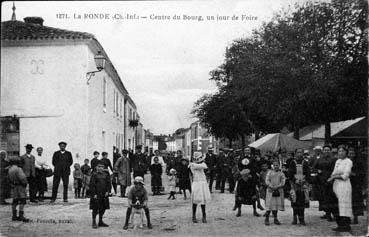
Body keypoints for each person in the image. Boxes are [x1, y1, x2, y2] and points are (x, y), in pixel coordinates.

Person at [328, 146, 353, 232]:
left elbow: (345, 176)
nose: (341, 153)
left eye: (343, 151)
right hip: (336, 184)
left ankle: (346, 225)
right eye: (339, 151)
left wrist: (335, 176)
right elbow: (334, 172)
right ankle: (339, 224)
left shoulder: (348, 162)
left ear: (346, 152)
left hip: (344, 185)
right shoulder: (338, 161)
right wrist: (332, 177)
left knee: (344, 205)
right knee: (336, 205)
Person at [236, 147, 260, 217]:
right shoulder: (241, 158)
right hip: (242, 177)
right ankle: (239, 210)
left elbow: (254, 167)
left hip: (250, 177)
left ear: (250, 151)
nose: (247, 151)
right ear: (244, 151)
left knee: (253, 192)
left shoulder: (253, 158)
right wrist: (243, 173)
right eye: (245, 150)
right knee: (239, 191)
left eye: (248, 150)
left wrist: (250, 173)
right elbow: (239, 166)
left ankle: (255, 210)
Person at [314, 145, 337, 221]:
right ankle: (327, 214)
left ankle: (333, 214)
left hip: (331, 180)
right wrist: (318, 171)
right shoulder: (320, 159)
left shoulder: (334, 159)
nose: (326, 151)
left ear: (330, 151)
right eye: (325, 150)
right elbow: (314, 167)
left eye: (328, 150)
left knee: (332, 198)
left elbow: (335, 169)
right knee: (324, 198)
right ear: (323, 151)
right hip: (321, 180)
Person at [288, 148, 310, 225]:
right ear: (295, 153)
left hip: (303, 185)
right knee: (294, 201)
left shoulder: (305, 163)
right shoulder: (292, 162)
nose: (299, 154)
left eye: (301, 152)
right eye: (298, 152)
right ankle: (294, 218)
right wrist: (295, 180)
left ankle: (302, 218)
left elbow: (308, 173)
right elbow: (290, 173)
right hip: (295, 185)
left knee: (302, 202)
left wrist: (304, 180)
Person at [189, 151, 211, 223]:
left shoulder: (201, 164)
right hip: (196, 183)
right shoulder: (192, 165)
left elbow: (204, 166)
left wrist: (198, 163)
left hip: (203, 183)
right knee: (195, 200)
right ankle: (193, 215)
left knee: (203, 200)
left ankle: (204, 216)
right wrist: (195, 163)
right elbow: (195, 167)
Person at [89, 162, 111, 228]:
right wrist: (94, 194)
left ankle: (100, 221)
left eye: (102, 167)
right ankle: (94, 221)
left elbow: (109, 183)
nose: (101, 168)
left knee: (103, 208)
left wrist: (108, 191)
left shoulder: (106, 174)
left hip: (104, 194)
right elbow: (92, 185)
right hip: (96, 194)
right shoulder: (94, 174)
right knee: (95, 208)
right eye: (99, 167)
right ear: (96, 168)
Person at [8, 157, 29, 222]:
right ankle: (21, 216)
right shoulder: (18, 169)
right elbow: (23, 178)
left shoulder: (10, 169)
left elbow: (8, 179)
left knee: (15, 201)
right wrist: (25, 184)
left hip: (14, 187)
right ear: (17, 162)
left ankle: (14, 216)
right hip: (20, 187)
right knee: (22, 201)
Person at [264, 160, 285, 225]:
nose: (276, 166)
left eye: (277, 165)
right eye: (274, 165)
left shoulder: (281, 173)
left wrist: (277, 186)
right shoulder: (269, 172)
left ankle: (275, 219)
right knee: (269, 205)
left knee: (276, 205)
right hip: (270, 191)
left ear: (279, 166)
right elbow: (267, 180)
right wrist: (271, 186)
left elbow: (283, 182)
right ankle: (266, 219)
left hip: (278, 191)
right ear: (272, 166)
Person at [348, 147, 365, 224]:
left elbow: (362, 173)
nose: (351, 155)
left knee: (356, 201)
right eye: (349, 153)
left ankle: (355, 217)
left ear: (355, 154)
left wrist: (354, 174)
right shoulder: (346, 161)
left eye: (352, 153)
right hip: (347, 183)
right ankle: (347, 217)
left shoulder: (359, 162)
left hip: (356, 184)